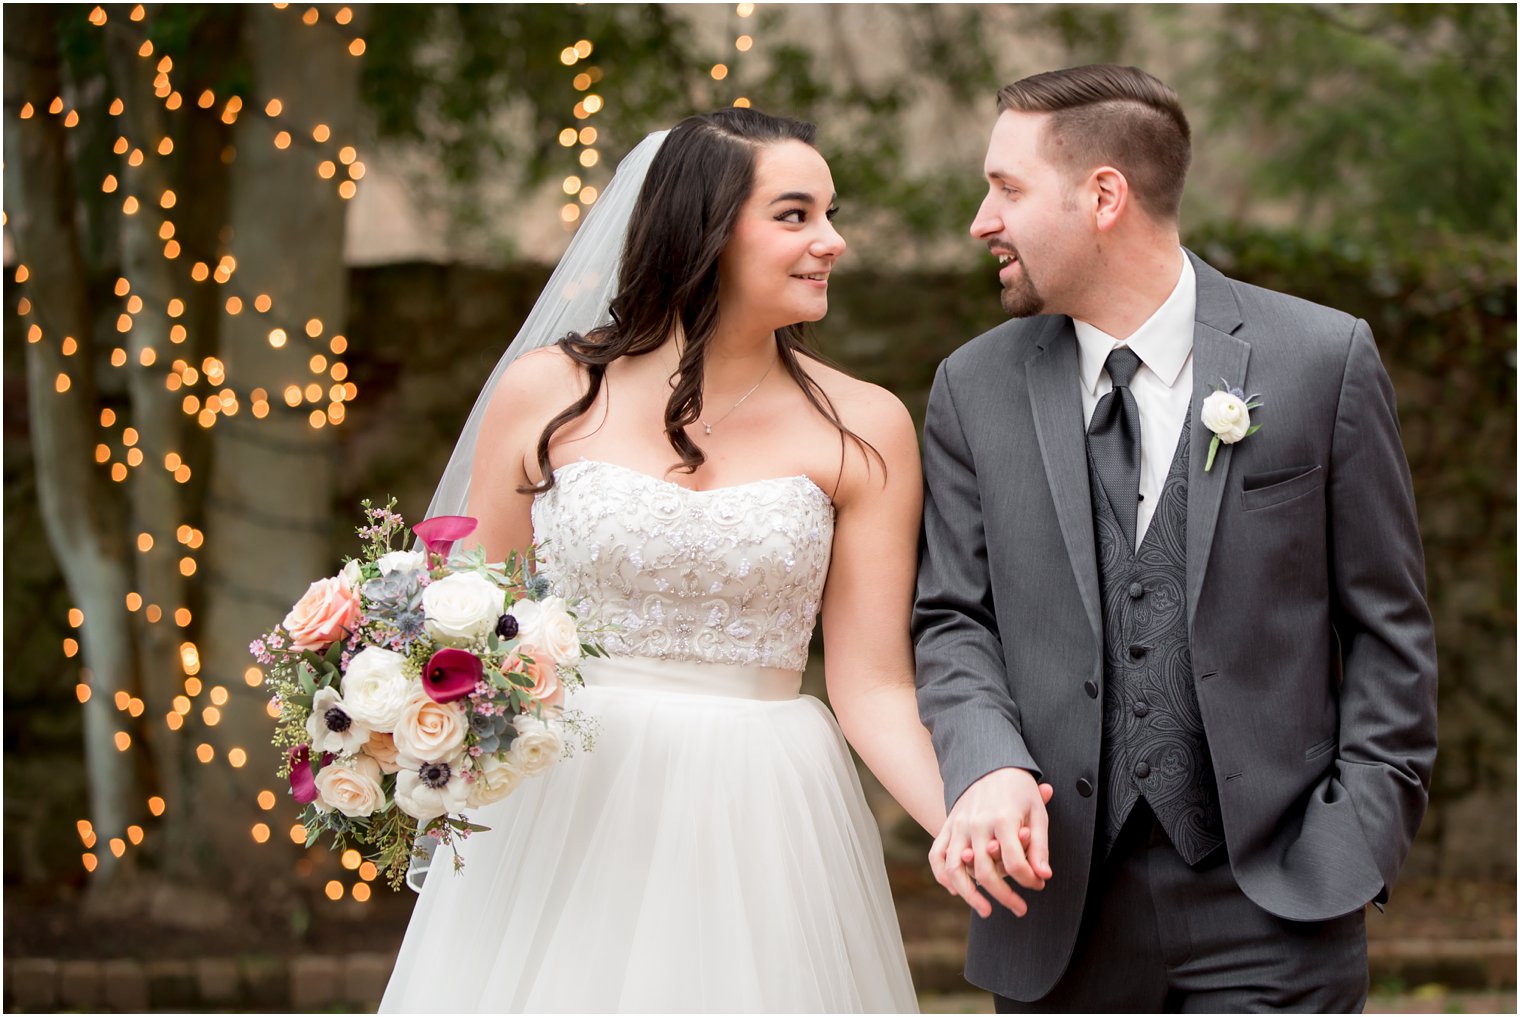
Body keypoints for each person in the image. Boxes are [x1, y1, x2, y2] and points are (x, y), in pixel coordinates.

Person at [381, 109, 944, 1012]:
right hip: (566, 802)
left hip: (760, 816)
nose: (832, 242)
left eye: (829, 214)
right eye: (796, 215)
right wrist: (389, 717)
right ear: (706, 228)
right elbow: (467, 626)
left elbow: (873, 684)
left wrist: (960, 825)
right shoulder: (546, 393)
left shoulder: (865, 425)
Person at [913, 65, 1438, 1012]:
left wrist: (1354, 837)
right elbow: (953, 617)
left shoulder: (1323, 359)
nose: (981, 222)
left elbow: (1390, 630)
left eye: (1007, 188)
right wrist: (987, 759)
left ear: (1104, 194)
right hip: (1057, 906)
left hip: (1278, 903)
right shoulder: (971, 387)